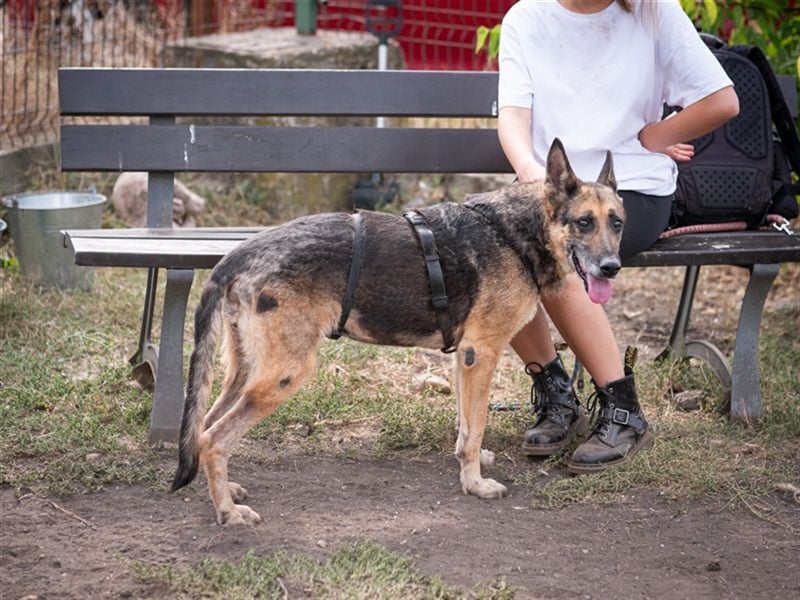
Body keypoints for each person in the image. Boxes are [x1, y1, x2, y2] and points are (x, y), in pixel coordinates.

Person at [497, 0, 739, 473]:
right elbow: (513, 116)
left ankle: (623, 410)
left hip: (631, 191)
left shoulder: (653, 11)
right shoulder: (526, 17)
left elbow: (722, 100)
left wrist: (654, 137)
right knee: (503, 253)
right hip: (558, 189)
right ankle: (556, 395)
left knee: (562, 255)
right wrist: (530, 172)